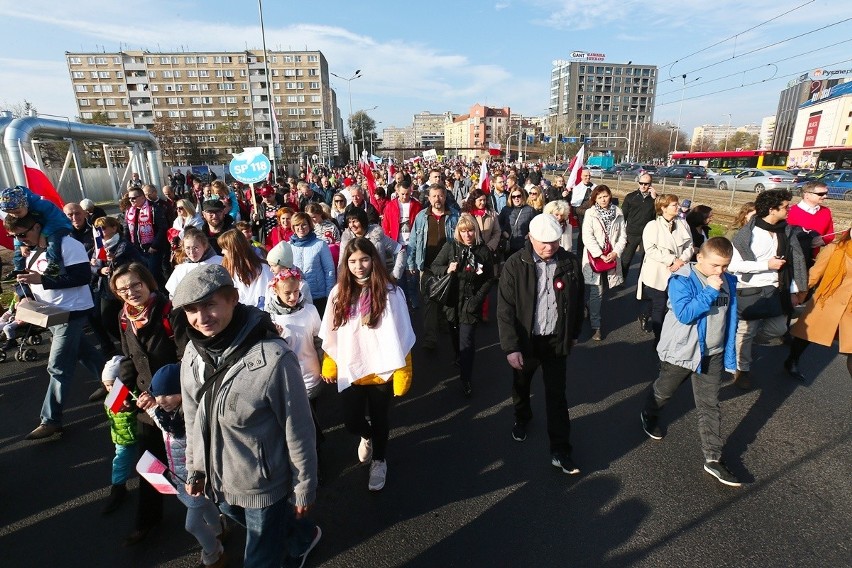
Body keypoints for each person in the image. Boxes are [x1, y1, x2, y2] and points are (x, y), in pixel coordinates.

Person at [175, 264, 320, 568]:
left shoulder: (274, 359)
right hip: (220, 482)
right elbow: (192, 414)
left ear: (233, 299)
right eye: (191, 310)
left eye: (210, 304)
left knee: (259, 559)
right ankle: (303, 537)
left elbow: (299, 429)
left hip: (263, 486)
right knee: (257, 524)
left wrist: (304, 487)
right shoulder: (192, 353)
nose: (201, 318)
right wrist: (195, 468)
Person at [640, 237, 743, 487]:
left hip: (713, 353)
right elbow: (685, 314)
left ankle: (713, 458)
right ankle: (649, 413)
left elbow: (730, 317)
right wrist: (709, 290)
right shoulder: (682, 279)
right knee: (664, 392)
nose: (720, 271)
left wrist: (730, 351)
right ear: (701, 257)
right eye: (715, 265)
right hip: (683, 352)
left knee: (709, 405)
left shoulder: (728, 281)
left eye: (725, 266)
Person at [319, 238, 415, 491]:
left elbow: (403, 333)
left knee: (380, 417)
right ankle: (366, 434)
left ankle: (380, 460)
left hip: (381, 369)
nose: (359, 266)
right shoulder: (338, 294)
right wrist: (330, 361)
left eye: (363, 259)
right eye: (352, 261)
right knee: (352, 421)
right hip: (352, 367)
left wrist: (404, 368)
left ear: (373, 260)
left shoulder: (391, 292)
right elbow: (332, 332)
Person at [497, 214, 584, 475]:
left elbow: (578, 300)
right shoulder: (515, 264)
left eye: (555, 242)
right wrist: (511, 347)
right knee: (521, 385)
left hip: (556, 340)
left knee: (557, 395)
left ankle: (560, 450)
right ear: (530, 238)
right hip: (527, 342)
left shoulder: (569, 262)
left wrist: (574, 332)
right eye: (544, 243)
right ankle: (521, 417)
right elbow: (505, 308)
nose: (550, 247)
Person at [6, 214, 105, 440]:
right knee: (85, 352)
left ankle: (51, 420)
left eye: (23, 234)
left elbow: (81, 277)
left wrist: (42, 281)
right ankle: (119, 386)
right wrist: (22, 294)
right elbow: (22, 279)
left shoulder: (69, 244)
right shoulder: (28, 249)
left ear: (38, 226)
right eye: (15, 237)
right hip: (49, 313)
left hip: (71, 311)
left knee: (58, 365)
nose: (21, 240)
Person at [110, 262, 178, 545]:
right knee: (150, 463)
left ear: (148, 283)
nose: (131, 292)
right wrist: (121, 393)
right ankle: (147, 520)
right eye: (123, 289)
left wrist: (178, 394)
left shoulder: (169, 311)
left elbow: (187, 356)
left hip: (177, 399)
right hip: (147, 404)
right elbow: (128, 358)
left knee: (195, 462)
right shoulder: (124, 317)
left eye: (135, 285)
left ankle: (216, 519)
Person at [146, 364, 228, 568]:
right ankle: (219, 529)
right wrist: (148, 406)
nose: (161, 401)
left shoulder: (191, 419)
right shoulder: (168, 417)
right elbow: (158, 418)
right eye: (157, 395)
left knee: (191, 525)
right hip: (181, 479)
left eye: (168, 395)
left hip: (197, 479)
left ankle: (214, 553)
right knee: (206, 507)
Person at [728, 189, 808, 389]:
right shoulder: (747, 235)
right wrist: (766, 265)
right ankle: (742, 369)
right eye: (785, 207)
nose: (789, 210)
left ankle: (744, 346)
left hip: (778, 289)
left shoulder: (786, 231)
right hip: (751, 288)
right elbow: (733, 266)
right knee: (747, 331)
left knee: (778, 328)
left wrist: (795, 291)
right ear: (772, 209)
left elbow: (794, 261)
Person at [429, 214, 494, 396]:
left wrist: (477, 299)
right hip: (451, 301)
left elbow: (489, 278)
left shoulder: (483, 251)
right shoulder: (451, 247)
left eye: (470, 230)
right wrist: (447, 269)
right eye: (463, 231)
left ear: (476, 231)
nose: (467, 235)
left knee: (467, 341)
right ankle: (458, 356)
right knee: (454, 334)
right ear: (458, 231)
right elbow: (434, 266)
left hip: (469, 303)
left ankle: (466, 378)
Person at [266, 267, 325, 448]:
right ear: (275, 291)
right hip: (286, 381)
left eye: (296, 291)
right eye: (287, 293)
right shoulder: (269, 317)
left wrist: (325, 366)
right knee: (295, 426)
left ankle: (316, 459)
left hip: (310, 376)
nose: (293, 297)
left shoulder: (310, 311)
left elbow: (319, 341)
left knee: (310, 420)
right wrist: (273, 336)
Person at [786, 226, 852, 381]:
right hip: (827, 302)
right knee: (806, 336)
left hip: (850, 309)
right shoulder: (834, 249)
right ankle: (792, 360)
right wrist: (797, 294)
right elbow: (814, 274)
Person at [408, 184, 460, 349]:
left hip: (448, 266)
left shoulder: (454, 216)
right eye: (434, 196)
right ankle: (430, 338)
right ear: (429, 198)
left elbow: (460, 240)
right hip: (427, 266)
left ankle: (443, 323)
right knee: (429, 301)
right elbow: (414, 241)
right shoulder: (421, 217)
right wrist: (411, 262)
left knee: (447, 297)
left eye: (440, 196)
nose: (437, 199)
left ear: (445, 197)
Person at [637, 194, 694, 344]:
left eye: (677, 204)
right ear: (663, 208)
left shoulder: (683, 224)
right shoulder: (652, 226)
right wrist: (672, 260)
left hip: (679, 270)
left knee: (674, 304)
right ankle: (659, 338)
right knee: (660, 305)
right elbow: (650, 249)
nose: (678, 207)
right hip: (658, 272)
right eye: (674, 205)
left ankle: (652, 318)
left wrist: (681, 260)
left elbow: (690, 246)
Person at [581, 186, 627, 341]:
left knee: (606, 287)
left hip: (612, 256)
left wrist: (615, 252)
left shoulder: (618, 213)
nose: (603, 200)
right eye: (599, 197)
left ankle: (589, 306)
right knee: (597, 292)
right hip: (595, 258)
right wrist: (600, 254)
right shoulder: (590, 213)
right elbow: (587, 236)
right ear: (595, 199)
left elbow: (622, 236)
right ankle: (596, 326)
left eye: (606, 196)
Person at [1, 185, 73, 277]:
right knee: (19, 246)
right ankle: (19, 268)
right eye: (10, 213)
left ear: (25, 204)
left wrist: (44, 235)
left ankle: (53, 265)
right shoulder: (21, 210)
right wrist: (21, 245)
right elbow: (17, 232)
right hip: (43, 226)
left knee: (52, 242)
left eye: (17, 212)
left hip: (59, 225)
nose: (15, 216)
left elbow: (55, 220)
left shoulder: (42, 205)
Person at [92, 215, 143, 342]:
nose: (99, 231)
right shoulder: (99, 245)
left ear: (114, 228)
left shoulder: (124, 245)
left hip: (126, 288)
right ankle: (125, 341)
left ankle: (136, 342)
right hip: (107, 289)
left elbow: (140, 263)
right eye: (97, 228)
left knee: (132, 317)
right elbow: (93, 266)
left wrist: (116, 262)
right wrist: (100, 270)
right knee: (107, 321)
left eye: (103, 228)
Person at [98, 354, 137, 515]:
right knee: (120, 462)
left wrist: (132, 407)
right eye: (106, 386)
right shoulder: (112, 397)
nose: (110, 389)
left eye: (112, 384)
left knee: (154, 462)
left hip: (139, 433)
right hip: (123, 438)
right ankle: (118, 487)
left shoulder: (132, 393)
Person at [340, 207, 406, 280]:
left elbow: (400, 250)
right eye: (349, 222)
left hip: (378, 281)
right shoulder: (346, 240)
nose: (352, 225)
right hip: (355, 283)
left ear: (363, 221)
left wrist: (394, 275)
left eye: (355, 221)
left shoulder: (377, 236)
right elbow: (341, 264)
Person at [290, 212, 336, 315]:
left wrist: (329, 293)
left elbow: (329, 270)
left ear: (310, 225)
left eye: (304, 224)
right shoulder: (289, 246)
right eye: (297, 225)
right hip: (298, 296)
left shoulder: (320, 244)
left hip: (318, 295)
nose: (300, 228)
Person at [125, 185, 169, 287]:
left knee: (153, 274)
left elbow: (162, 228)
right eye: (129, 198)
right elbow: (126, 229)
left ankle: (162, 295)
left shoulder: (154, 208)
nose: (131, 200)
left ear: (142, 197)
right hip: (136, 249)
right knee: (142, 276)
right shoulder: (129, 211)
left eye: (134, 198)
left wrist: (154, 246)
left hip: (152, 249)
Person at [219, 229, 273, 309]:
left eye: (225, 248)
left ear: (235, 249)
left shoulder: (262, 269)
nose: (222, 252)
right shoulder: (227, 268)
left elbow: (264, 298)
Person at [165, 226, 223, 298]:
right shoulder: (181, 269)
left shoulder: (219, 262)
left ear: (204, 246)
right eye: (188, 248)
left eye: (196, 248)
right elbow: (173, 295)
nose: (192, 252)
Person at [620, 173, 658, 277]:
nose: (643, 186)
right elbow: (623, 215)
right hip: (631, 232)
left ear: (650, 184)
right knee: (626, 259)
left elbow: (661, 213)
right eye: (641, 183)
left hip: (647, 234)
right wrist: (622, 232)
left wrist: (655, 198)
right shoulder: (631, 197)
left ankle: (643, 280)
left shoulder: (655, 199)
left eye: (646, 184)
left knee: (646, 259)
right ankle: (622, 278)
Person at [787, 180, 835, 260]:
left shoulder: (826, 211)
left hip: (814, 257)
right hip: (793, 257)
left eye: (826, 193)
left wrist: (822, 241)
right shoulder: (790, 212)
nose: (825, 196)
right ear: (807, 195)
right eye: (821, 194)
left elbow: (830, 233)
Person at [498, 187, 537, 256]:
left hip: (523, 245)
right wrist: (504, 232)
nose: (516, 198)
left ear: (522, 197)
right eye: (514, 196)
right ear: (511, 198)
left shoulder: (530, 210)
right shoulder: (506, 209)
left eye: (518, 196)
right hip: (509, 244)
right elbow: (499, 223)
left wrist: (529, 234)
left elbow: (536, 225)